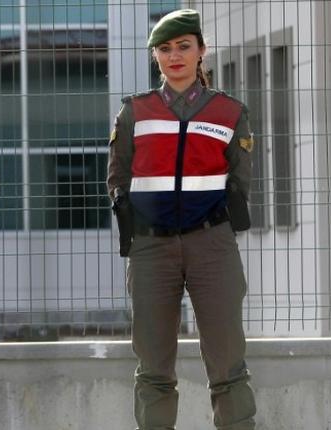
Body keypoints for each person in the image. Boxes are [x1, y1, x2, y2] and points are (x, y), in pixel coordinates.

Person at [107, 9, 257, 430]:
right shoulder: (134, 113)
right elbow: (117, 178)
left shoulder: (229, 113)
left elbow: (240, 182)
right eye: (165, 49)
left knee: (228, 364)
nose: (175, 56)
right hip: (151, 249)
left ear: (201, 52)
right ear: (156, 56)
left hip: (212, 247)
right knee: (153, 369)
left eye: (184, 47)